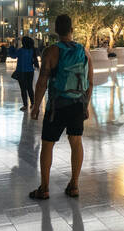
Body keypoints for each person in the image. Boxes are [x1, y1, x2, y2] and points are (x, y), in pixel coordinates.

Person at [29, 13, 93, 199]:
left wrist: (35, 106)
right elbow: (90, 82)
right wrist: (85, 105)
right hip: (77, 105)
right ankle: (74, 185)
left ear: (56, 30)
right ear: (72, 30)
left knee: (48, 145)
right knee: (76, 143)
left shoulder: (51, 51)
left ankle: (44, 188)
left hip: (57, 106)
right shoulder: (84, 52)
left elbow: (42, 81)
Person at [12, 35, 40, 111]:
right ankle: (33, 103)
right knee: (30, 88)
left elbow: (13, 56)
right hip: (30, 72)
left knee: (23, 89)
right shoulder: (32, 50)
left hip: (21, 72)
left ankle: (25, 105)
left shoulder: (21, 51)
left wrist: (12, 45)